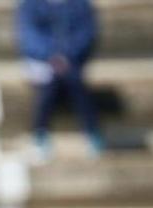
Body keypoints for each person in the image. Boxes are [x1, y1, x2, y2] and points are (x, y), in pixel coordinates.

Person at [15, 0, 104, 157]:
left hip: (72, 61)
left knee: (74, 81)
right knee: (49, 85)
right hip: (40, 61)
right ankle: (40, 135)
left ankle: (92, 133)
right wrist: (50, 55)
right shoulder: (30, 4)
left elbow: (87, 33)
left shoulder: (80, 4)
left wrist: (67, 55)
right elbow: (29, 36)